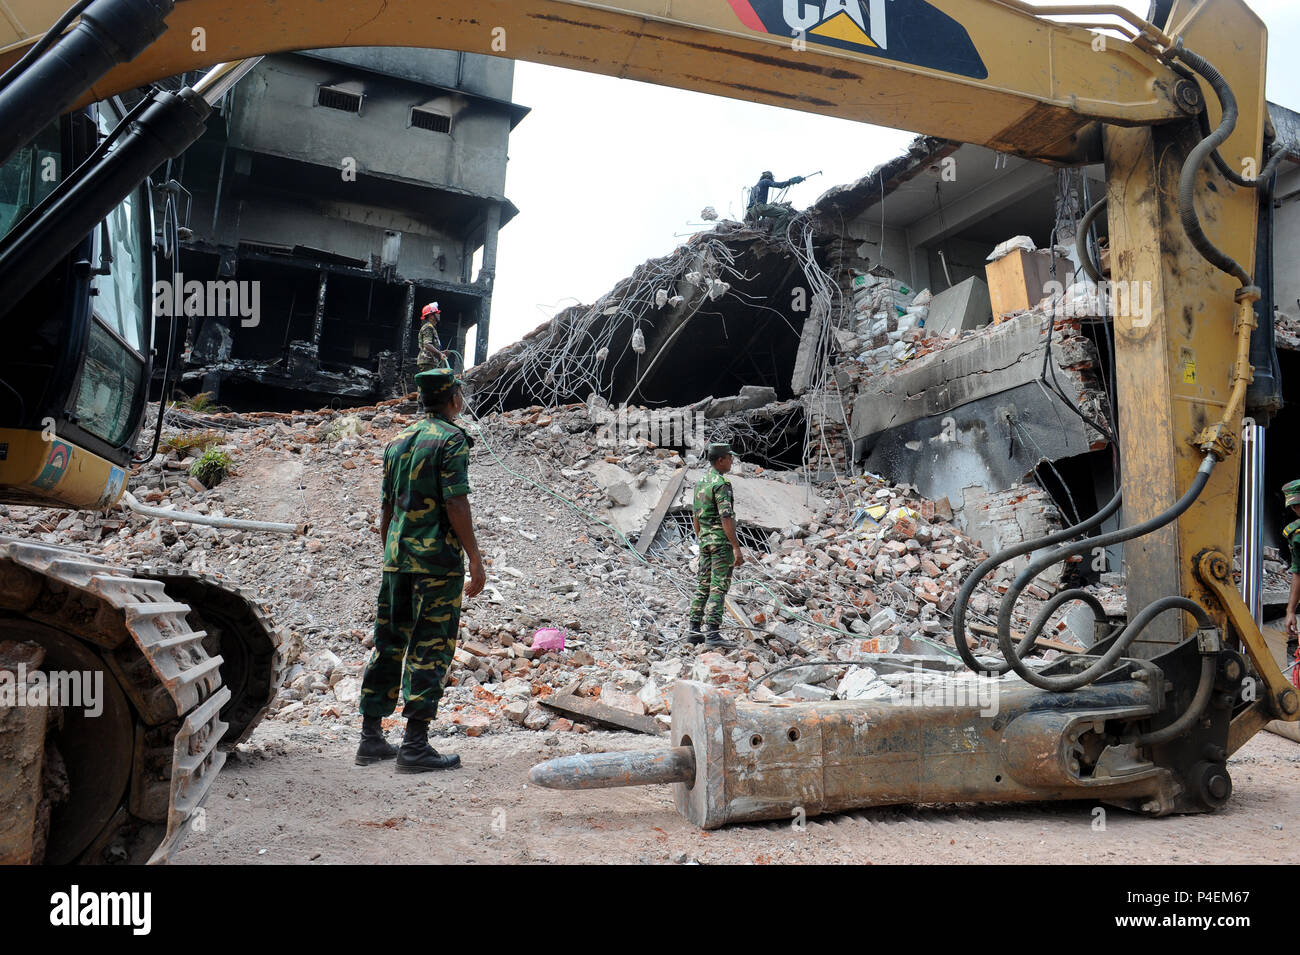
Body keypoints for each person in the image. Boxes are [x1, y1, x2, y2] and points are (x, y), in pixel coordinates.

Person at [356, 368, 486, 771]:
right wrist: (476, 559)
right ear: (454, 399)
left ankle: (371, 738)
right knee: (430, 645)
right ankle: (414, 745)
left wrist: (392, 552)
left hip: (396, 560)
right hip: (436, 563)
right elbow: (456, 503)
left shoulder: (396, 443)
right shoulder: (451, 440)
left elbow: (386, 509)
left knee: (389, 642)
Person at [689, 442, 745, 648]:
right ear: (720, 460)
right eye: (729, 458)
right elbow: (726, 517)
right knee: (718, 586)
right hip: (720, 543)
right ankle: (713, 634)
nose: (731, 461)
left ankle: (693, 630)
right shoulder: (721, 484)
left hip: (705, 541)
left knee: (703, 585)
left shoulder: (701, 482)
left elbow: (696, 515)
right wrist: (736, 547)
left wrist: (702, 537)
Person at [1283, 479, 1300, 661]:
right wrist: (1290, 611)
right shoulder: (1296, 535)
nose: (1298, 510)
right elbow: (1298, 572)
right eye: (1295, 506)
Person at [417, 302, 449, 372]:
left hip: (430, 362)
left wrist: (441, 352)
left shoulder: (431, 327)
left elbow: (430, 346)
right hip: (427, 362)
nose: (438, 314)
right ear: (431, 316)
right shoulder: (428, 327)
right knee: (430, 382)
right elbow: (427, 344)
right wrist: (440, 353)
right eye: (437, 313)